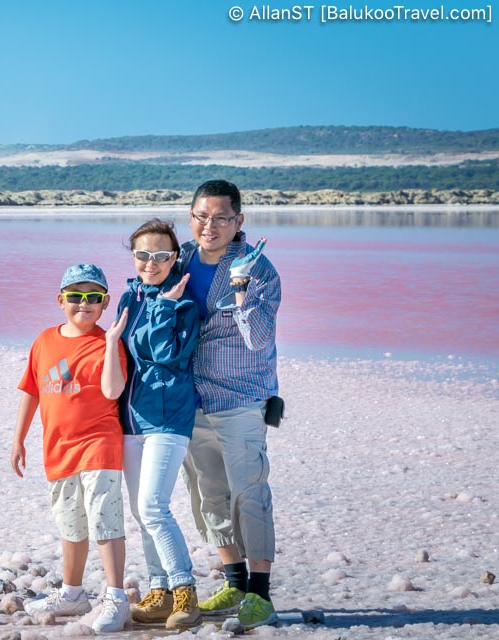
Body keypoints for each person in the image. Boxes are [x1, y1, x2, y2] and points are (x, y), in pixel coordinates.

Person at [179, 179, 281, 630]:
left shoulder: (259, 271)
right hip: (189, 400)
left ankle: (260, 594)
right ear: (191, 217)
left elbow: (259, 339)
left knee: (249, 494)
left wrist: (240, 289)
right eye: (202, 215)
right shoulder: (178, 258)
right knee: (208, 496)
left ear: (239, 221)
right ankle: (234, 579)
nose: (211, 225)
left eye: (221, 217)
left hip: (239, 399)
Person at [10, 263, 131, 633]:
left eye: (93, 297)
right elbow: (31, 389)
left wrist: (111, 342)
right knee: (71, 523)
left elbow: (113, 390)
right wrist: (18, 438)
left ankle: (115, 596)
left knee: (103, 519)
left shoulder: (107, 342)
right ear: (61, 300)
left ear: (105, 302)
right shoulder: (45, 339)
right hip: (58, 449)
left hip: (99, 444)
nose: (84, 304)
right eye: (76, 297)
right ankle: (73, 592)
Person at [116, 218, 202, 630]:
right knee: (139, 509)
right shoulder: (128, 298)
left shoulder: (184, 305)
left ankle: (186, 591)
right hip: (131, 418)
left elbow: (166, 355)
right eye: (143, 255)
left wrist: (166, 306)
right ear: (133, 257)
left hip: (169, 417)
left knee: (154, 506)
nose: (151, 263)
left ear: (175, 258)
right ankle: (159, 591)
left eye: (161, 255)